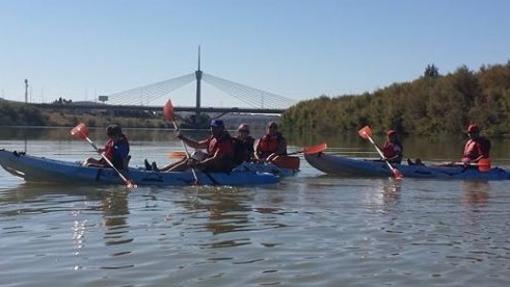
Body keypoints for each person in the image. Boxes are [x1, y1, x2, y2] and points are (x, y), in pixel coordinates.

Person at [147, 119, 236, 172]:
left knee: (188, 163)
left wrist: (198, 164)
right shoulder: (213, 138)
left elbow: (215, 159)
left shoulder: (225, 142)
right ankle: (160, 170)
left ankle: (164, 175)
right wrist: (183, 138)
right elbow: (197, 145)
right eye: (212, 127)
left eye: (215, 128)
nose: (212, 129)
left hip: (219, 167)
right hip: (212, 163)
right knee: (187, 158)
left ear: (221, 129)